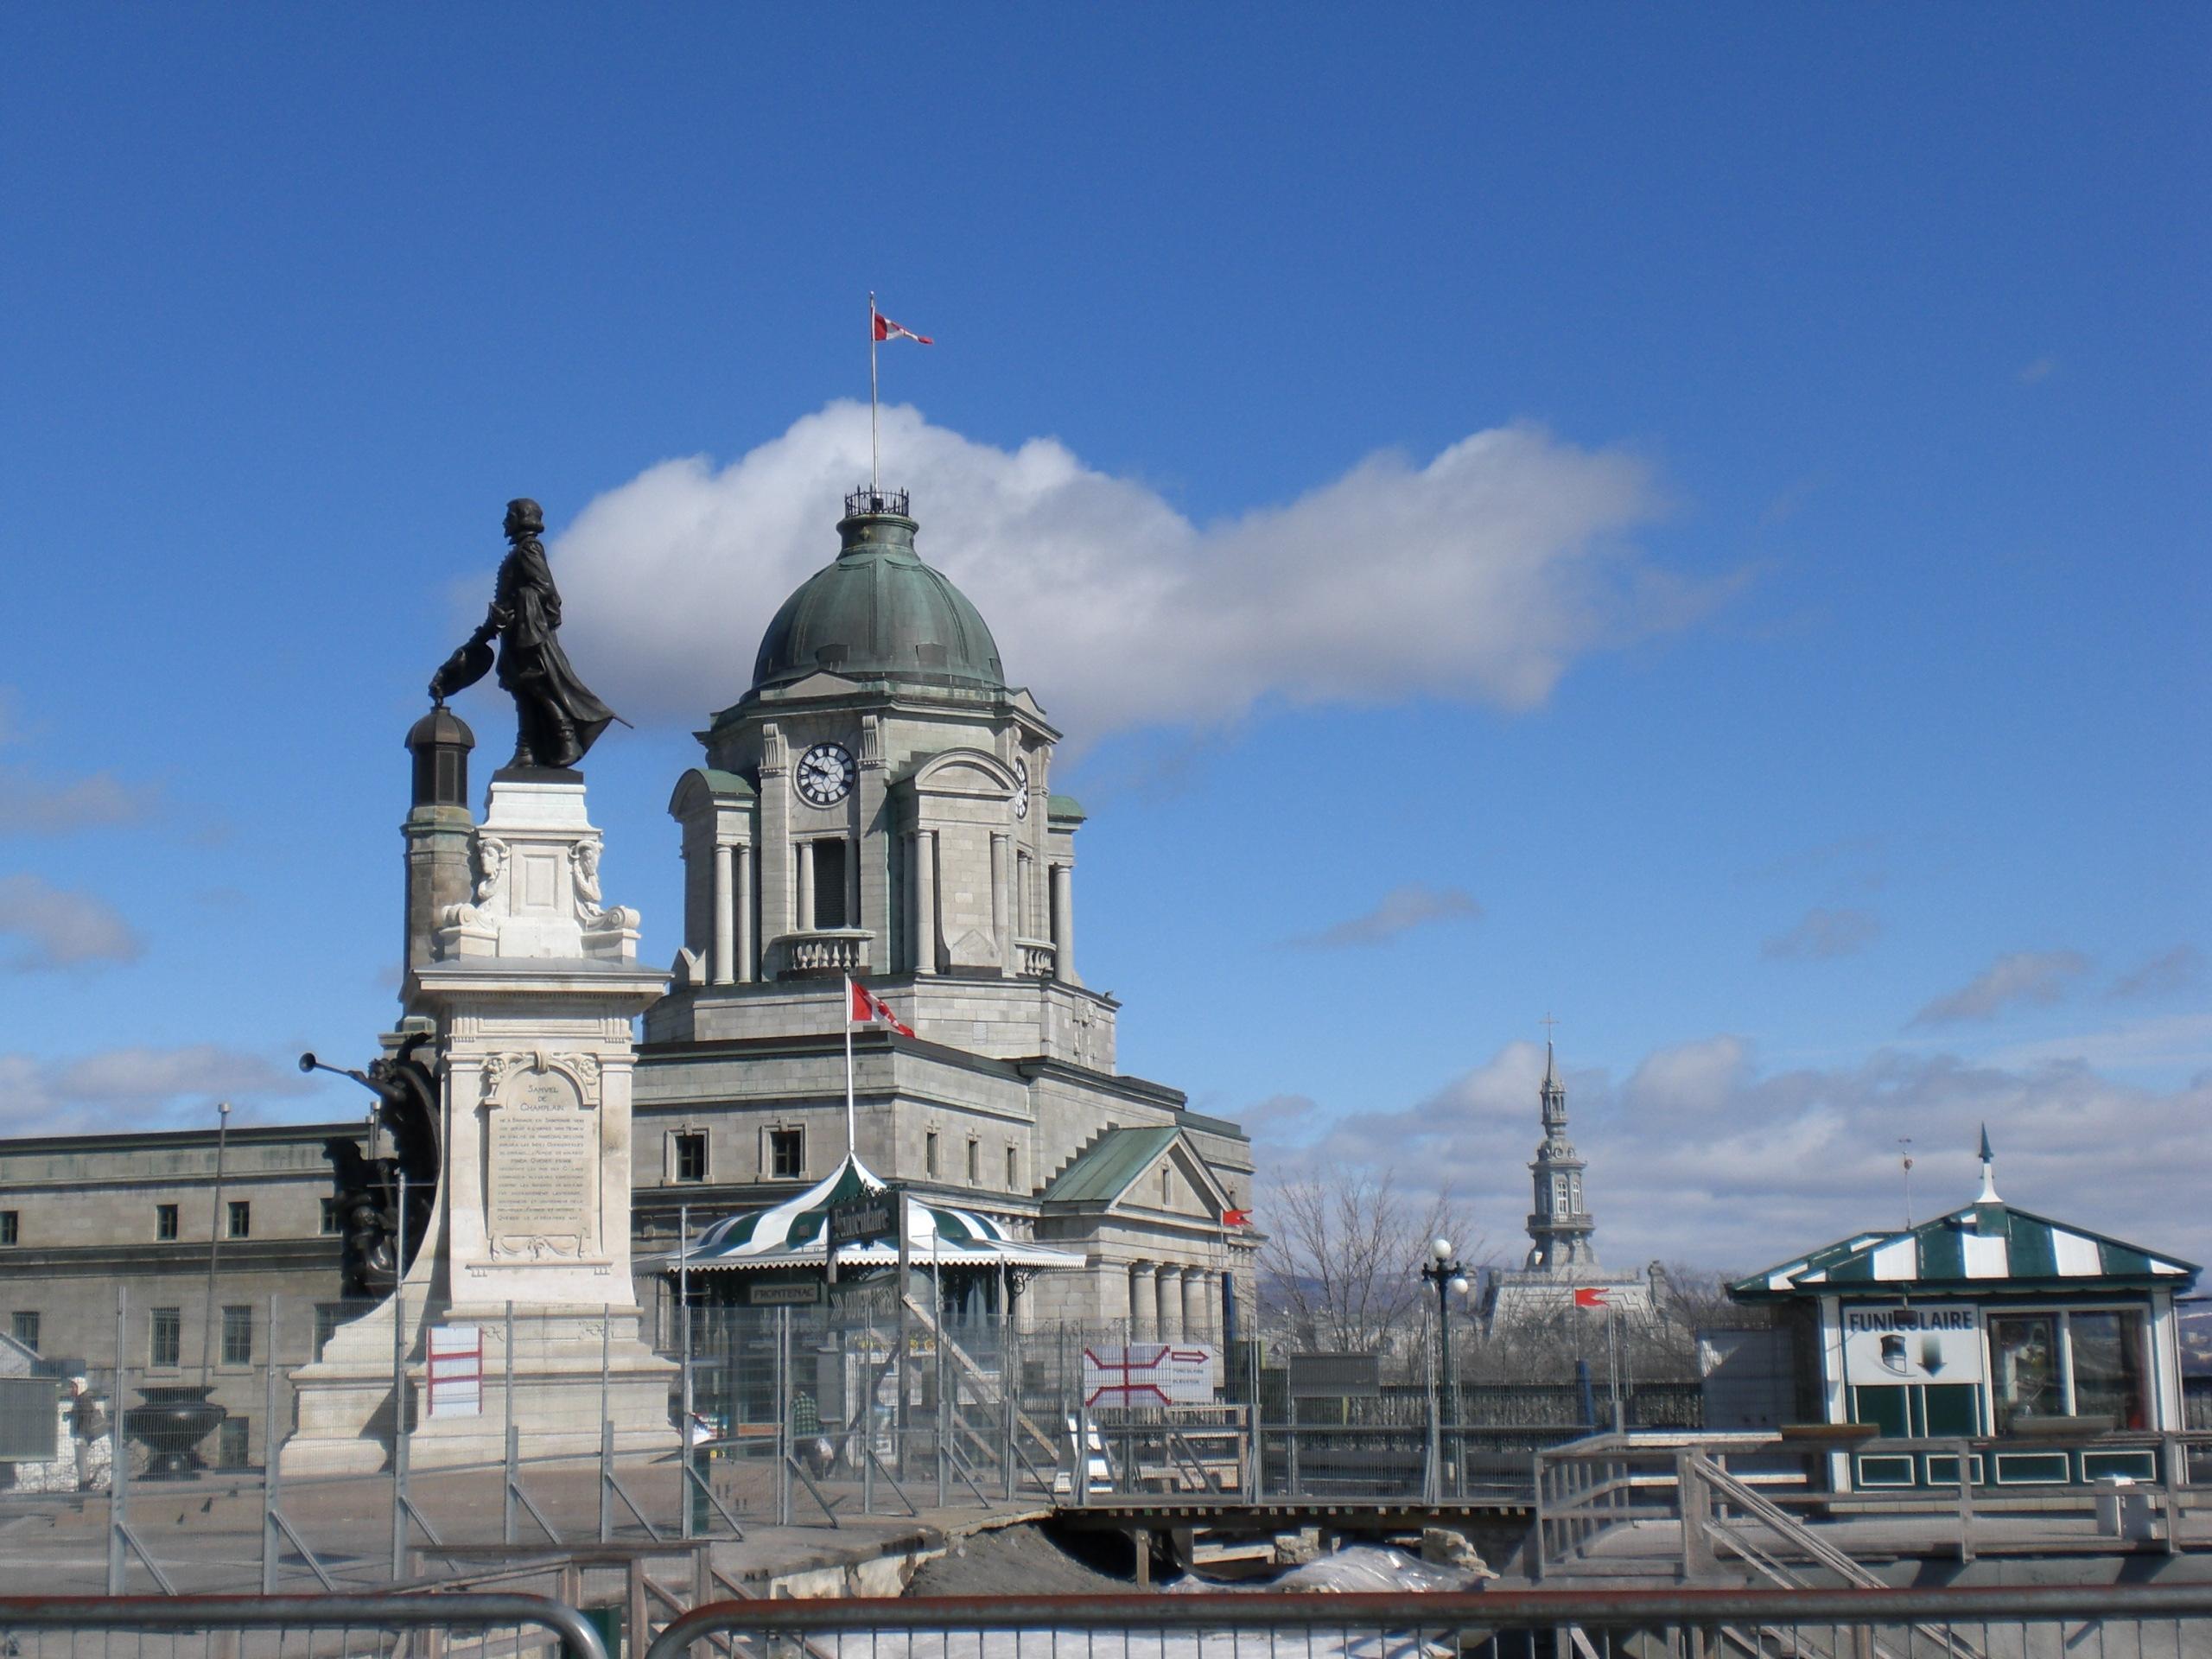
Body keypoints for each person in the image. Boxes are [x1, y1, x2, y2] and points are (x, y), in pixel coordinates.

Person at [431, 499, 622, 769]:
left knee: (535, 686)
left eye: (509, 516)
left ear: (521, 518)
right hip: (516, 631)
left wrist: (517, 609)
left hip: (527, 632)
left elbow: (545, 588)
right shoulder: (520, 551)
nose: (504, 522)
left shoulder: (529, 549)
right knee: (523, 690)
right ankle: (526, 751)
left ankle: (564, 738)